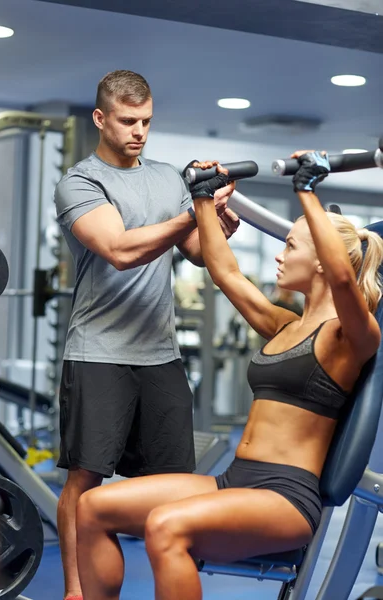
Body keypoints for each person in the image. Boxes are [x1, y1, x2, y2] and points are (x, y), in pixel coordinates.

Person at [75, 151, 383, 600]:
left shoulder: (353, 337)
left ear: (321, 261)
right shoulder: (285, 325)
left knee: (167, 526)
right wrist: (203, 198)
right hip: (234, 481)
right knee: (93, 507)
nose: (280, 256)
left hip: (285, 498)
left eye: (292, 246)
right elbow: (225, 272)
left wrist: (308, 192)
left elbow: (341, 278)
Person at [53, 69, 240, 600]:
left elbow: (203, 254)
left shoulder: (167, 178)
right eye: (128, 120)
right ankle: (75, 591)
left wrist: (219, 213)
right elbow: (120, 249)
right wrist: (194, 211)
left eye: (147, 122)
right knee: (85, 480)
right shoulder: (80, 181)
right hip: (99, 352)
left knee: (173, 485)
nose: (139, 131)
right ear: (100, 118)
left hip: (161, 357)